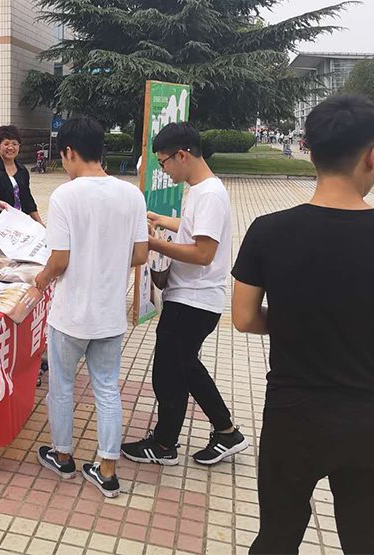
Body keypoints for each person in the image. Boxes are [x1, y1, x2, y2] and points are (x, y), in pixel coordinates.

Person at [232, 95, 374, 554]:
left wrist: (299, 318)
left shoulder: (268, 230)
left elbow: (243, 318)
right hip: (372, 418)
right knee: (365, 541)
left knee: (277, 536)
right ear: (372, 155)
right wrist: (367, 321)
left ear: (309, 152)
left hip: (293, 416)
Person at [34, 116, 148, 498]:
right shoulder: (132, 195)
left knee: (62, 387)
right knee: (107, 389)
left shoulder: (65, 196)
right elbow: (140, 255)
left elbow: (59, 260)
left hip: (70, 315)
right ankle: (108, 470)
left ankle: (63, 456)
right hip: (109, 315)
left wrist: (39, 280)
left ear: (68, 152)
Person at [121, 122, 247, 466]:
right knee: (186, 367)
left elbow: (203, 252)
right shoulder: (204, 189)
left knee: (168, 373)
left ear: (182, 155)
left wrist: (153, 244)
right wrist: (161, 219)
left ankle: (164, 445)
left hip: (193, 300)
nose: (164, 170)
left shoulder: (208, 194)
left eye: (163, 162)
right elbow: (195, 230)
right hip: (193, 298)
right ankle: (226, 431)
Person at [0, 125, 42, 227]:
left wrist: (40, 224)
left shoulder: (22, 170)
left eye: (14, 144)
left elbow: (27, 200)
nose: (10, 147)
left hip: (20, 223)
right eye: (6, 144)